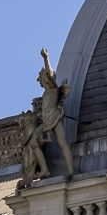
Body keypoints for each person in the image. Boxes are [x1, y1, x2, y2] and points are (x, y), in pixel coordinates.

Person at [35, 47, 75, 177]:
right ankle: (44, 170)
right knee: (32, 142)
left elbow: (50, 74)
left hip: (54, 117)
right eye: (42, 77)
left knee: (62, 143)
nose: (44, 78)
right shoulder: (46, 93)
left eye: (44, 76)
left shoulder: (53, 89)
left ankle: (71, 171)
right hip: (46, 121)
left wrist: (46, 58)